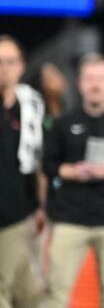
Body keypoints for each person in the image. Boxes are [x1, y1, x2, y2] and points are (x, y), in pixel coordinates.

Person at [41, 53, 104, 308]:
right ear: (80, 84)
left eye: (101, 78)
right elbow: (48, 165)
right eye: (89, 79)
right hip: (69, 219)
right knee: (55, 292)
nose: (95, 85)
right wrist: (72, 172)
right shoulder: (64, 122)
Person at [0, 35, 45, 308]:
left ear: (21, 66)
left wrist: (41, 207)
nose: (3, 68)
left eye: (9, 61)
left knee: (27, 293)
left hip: (19, 214)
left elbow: (39, 163)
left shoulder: (32, 106)